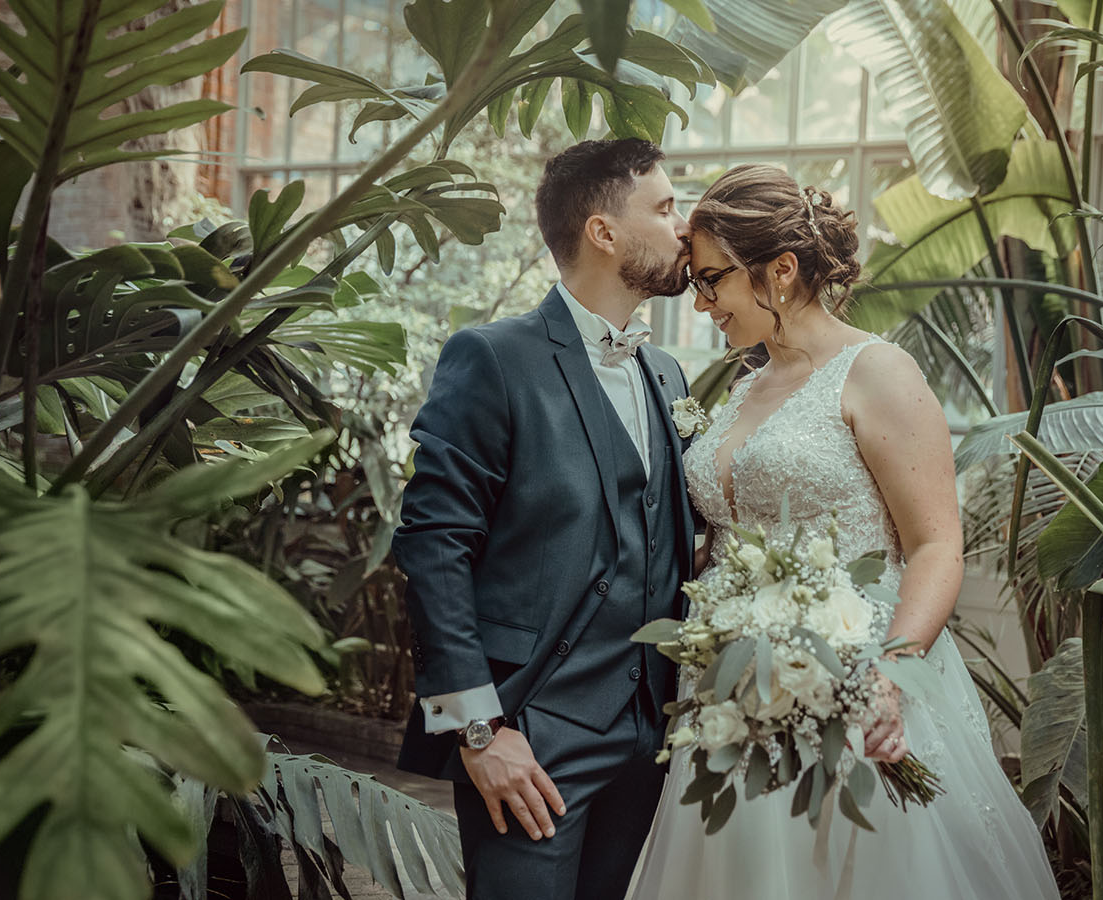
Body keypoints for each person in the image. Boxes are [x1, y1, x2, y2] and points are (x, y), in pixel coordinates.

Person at [630, 165, 1060, 900]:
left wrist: (890, 676)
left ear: (783, 269)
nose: (702, 304)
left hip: (859, 687)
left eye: (713, 282)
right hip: (731, 702)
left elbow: (935, 546)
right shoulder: (742, 390)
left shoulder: (878, 372)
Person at [392, 138, 700, 900]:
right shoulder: (493, 358)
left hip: (656, 736)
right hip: (532, 734)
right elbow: (434, 547)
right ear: (603, 232)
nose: (683, 227)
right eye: (664, 208)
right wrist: (477, 730)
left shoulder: (667, 373)